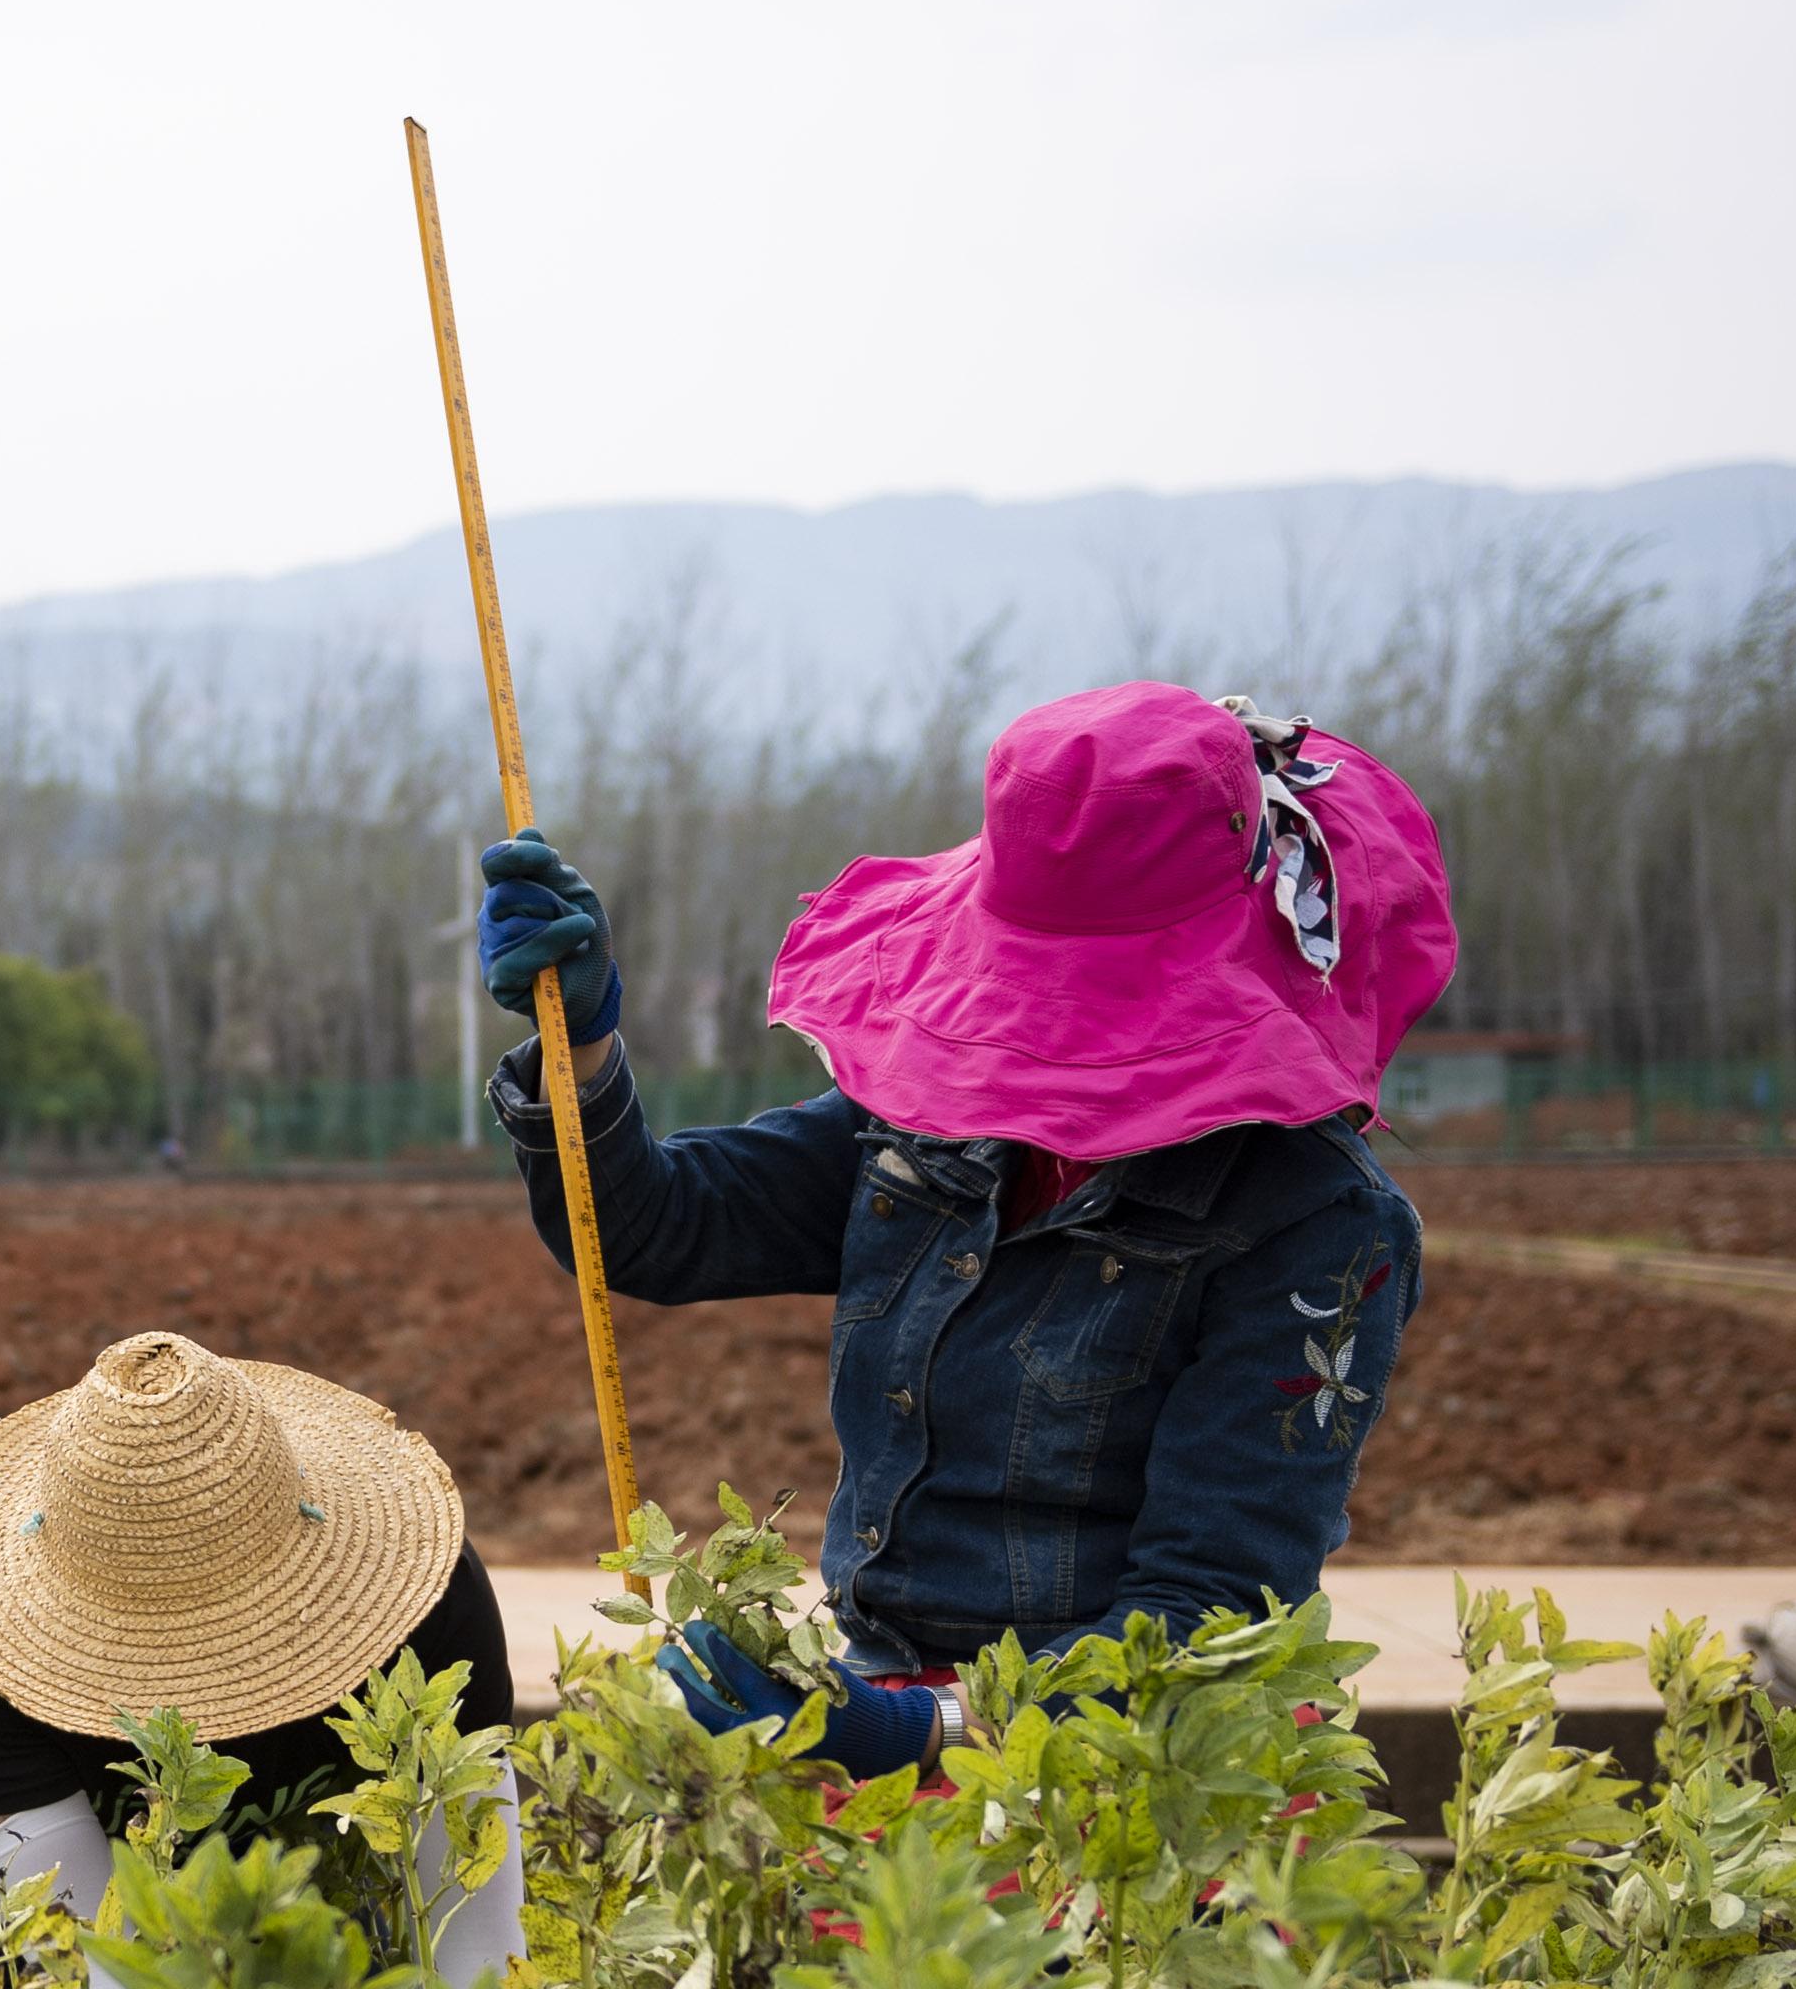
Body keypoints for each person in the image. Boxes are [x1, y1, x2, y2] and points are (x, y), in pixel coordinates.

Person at [481, 682, 1451, 1769]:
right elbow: (660, 1228)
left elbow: (1210, 1628)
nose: (1057, 1041)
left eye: (1102, 1000)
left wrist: (913, 1731)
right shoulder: (936, 1109)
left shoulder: (1317, 1222)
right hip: (895, 1717)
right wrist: (588, 1047)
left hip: (1123, 1774)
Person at [0, 1329, 519, 1989]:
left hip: (284, 1932)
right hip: (20, 1956)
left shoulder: (431, 1606)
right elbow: (94, 1962)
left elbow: (472, 1918)